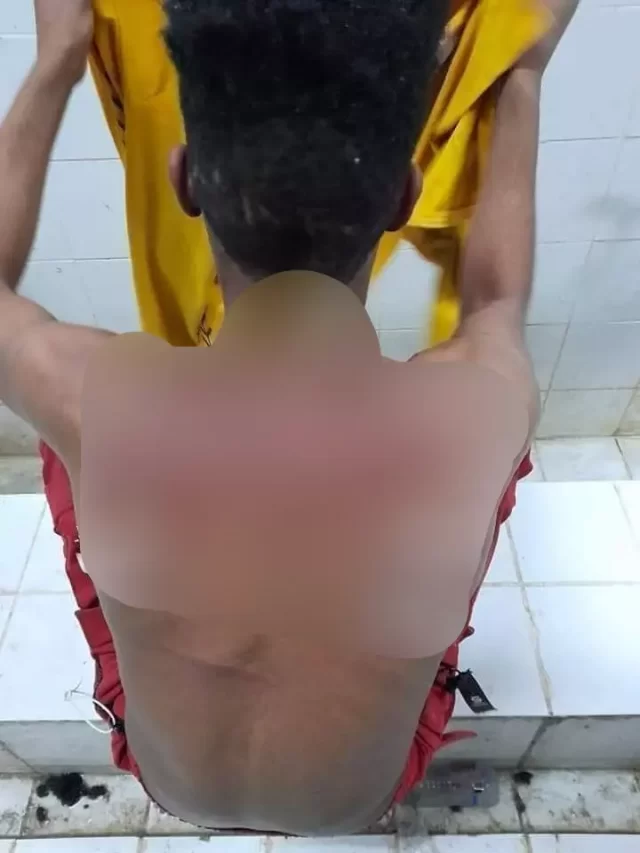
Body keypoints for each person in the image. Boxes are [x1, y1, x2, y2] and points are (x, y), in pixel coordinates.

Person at [0, 0, 575, 837]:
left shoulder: (95, 395)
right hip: (364, 793)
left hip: (165, 775)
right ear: (403, 197)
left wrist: (57, 57)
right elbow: (496, 300)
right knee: (476, 475)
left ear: (184, 180)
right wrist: (521, 74)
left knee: (77, 449)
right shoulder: (475, 408)